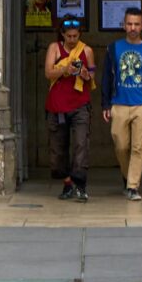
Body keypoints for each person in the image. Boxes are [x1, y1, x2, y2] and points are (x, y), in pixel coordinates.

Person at [102, 6, 142, 200]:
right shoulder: (113, 48)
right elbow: (105, 77)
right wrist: (105, 104)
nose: (133, 27)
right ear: (123, 25)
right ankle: (127, 176)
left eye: (136, 24)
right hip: (119, 103)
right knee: (121, 146)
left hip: (141, 105)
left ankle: (132, 187)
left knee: (138, 147)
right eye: (129, 23)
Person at [45, 14, 96, 201]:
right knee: (58, 148)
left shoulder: (87, 51)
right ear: (62, 34)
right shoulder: (54, 48)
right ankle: (67, 183)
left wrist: (84, 74)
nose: (73, 40)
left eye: (75, 36)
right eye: (69, 36)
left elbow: (91, 77)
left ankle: (81, 185)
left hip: (80, 104)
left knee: (81, 144)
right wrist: (65, 69)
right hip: (57, 106)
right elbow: (48, 72)